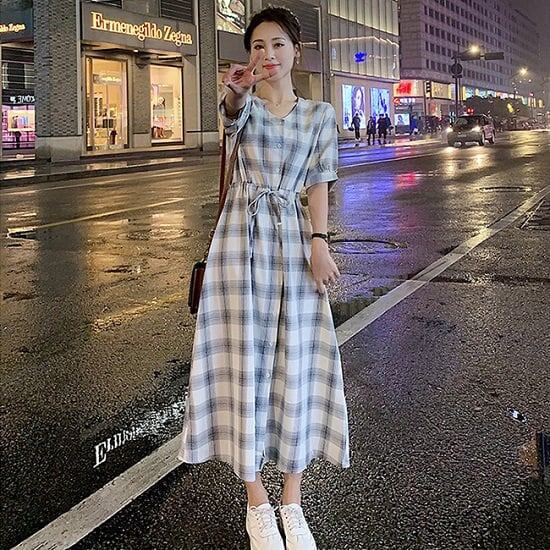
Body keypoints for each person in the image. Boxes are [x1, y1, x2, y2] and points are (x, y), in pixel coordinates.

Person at [179, 7, 349, 550]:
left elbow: (319, 183)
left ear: (297, 51)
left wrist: (319, 242)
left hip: (294, 243)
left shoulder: (319, 115)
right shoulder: (244, 105)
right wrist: (234, 92)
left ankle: (292, 503)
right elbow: (230, 117)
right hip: (239, 246)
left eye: (277, 44)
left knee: (297, 362)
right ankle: (257, 504)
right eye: (257, 46)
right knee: (243, 363)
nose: (267, 54)